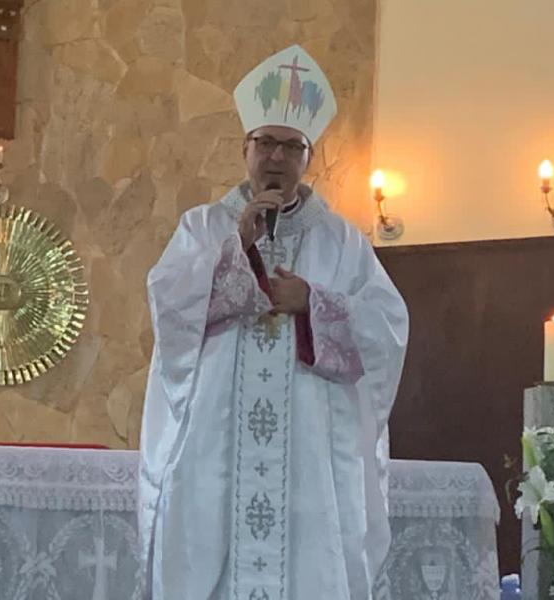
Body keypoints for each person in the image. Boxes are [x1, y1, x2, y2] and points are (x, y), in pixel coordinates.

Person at [139, 45, 409, 600]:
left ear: (309, 157)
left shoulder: (342, 240)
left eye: (292, 146)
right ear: (245, 148)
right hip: (217, 439)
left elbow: (387, 327)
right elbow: (169, 306)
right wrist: (237, 246)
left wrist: (313, 302)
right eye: (265, 143)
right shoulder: (203, 226)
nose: (277, 157)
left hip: (309, 448)